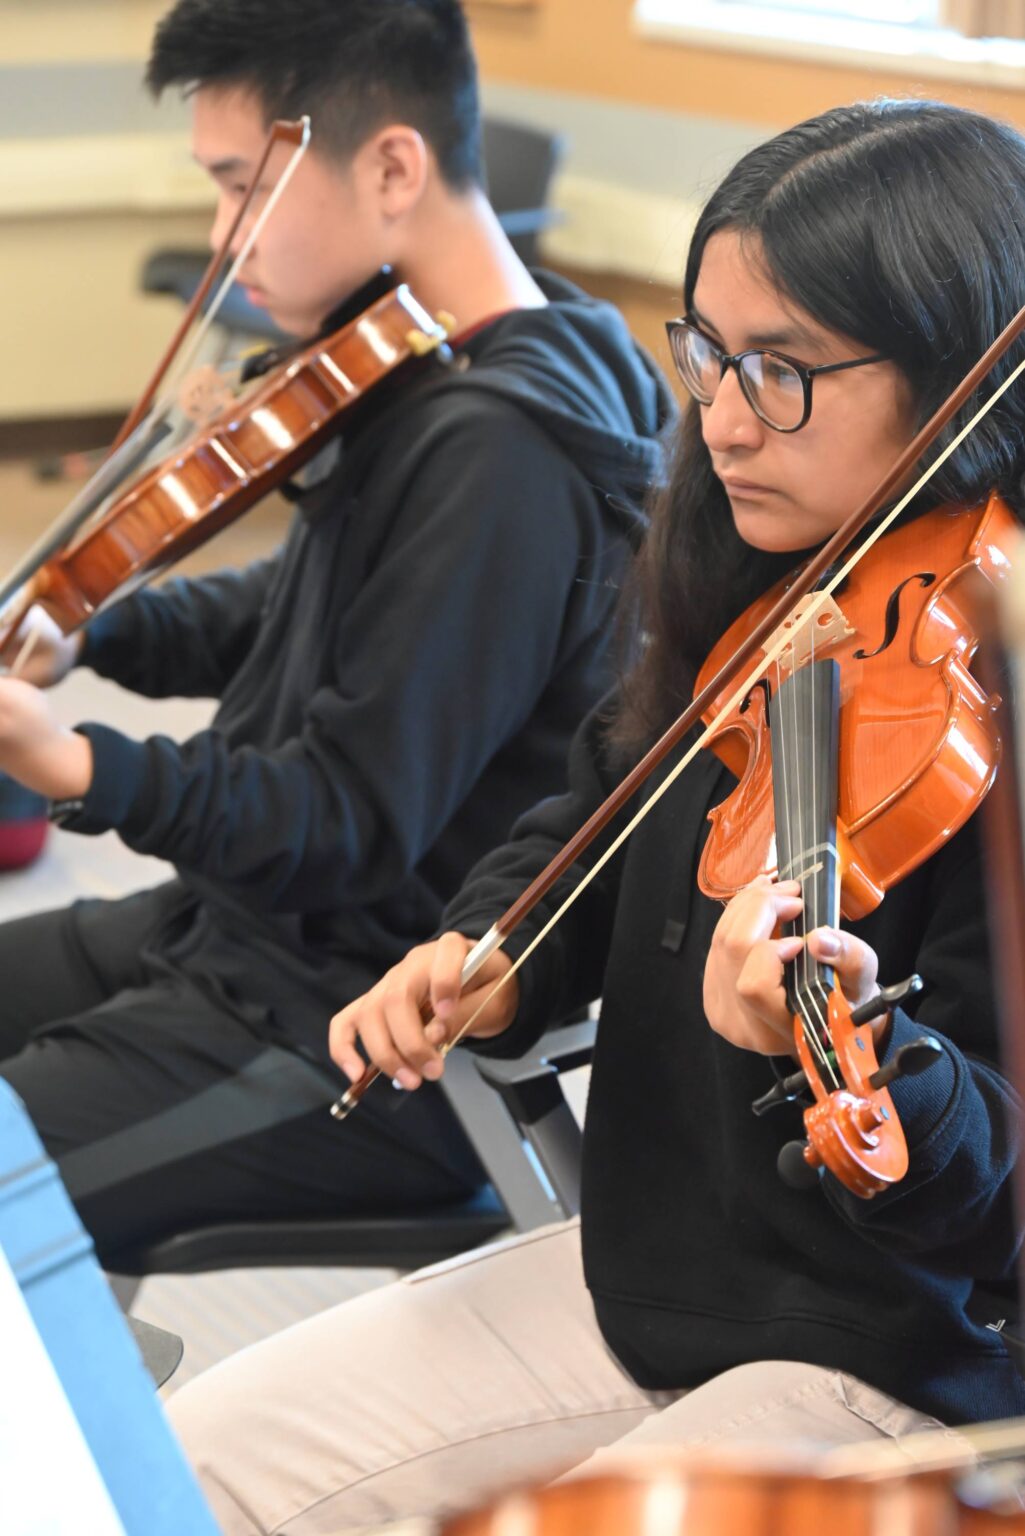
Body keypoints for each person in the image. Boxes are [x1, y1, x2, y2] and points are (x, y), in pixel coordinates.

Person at [165, 97, 1025, 1535]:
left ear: (962, 378)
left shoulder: (989, 678)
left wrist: (878, 1056)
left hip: (908, 1359)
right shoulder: (760, 577)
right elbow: (600, 806)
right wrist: (493, 952)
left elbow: (992, 1192)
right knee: (202, 1461)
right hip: (658, 1270)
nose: (726, 420)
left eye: (785, 372)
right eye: (707, 354)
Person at [0, 0, 670, 1261]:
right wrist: (96, 635)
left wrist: (78, 763)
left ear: (393, 167)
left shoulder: (499, 449)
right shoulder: (428, 366)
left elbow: (344, 825)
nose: (220, 237)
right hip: (238, 937)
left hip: (342, 1028)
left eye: (241, 188)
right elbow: (289, 601)